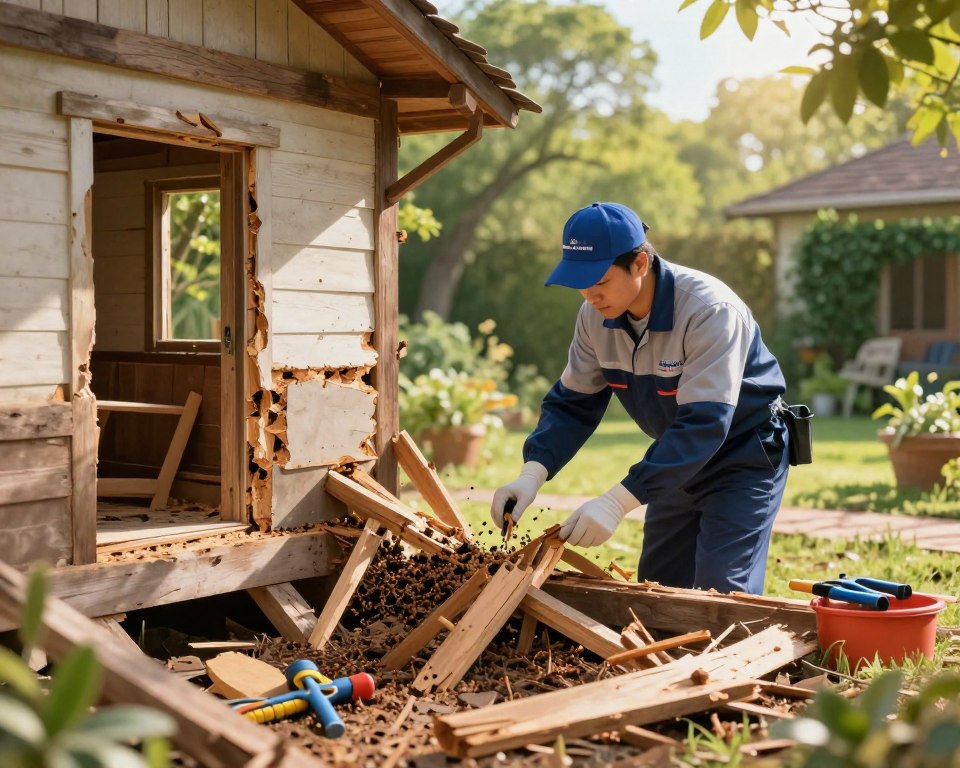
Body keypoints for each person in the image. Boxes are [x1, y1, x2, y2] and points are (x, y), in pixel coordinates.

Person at [490, 202, 791, 594]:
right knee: (658, 594)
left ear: (640, 263)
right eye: (580, 283)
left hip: (743, 457)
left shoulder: (710, 310)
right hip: (674, 459)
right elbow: (573, 404)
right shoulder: (592, 317)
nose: (589, 295)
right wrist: (532, 473)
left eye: (598, 281)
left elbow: (705, 424)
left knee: (722, 596)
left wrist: (616, 502)